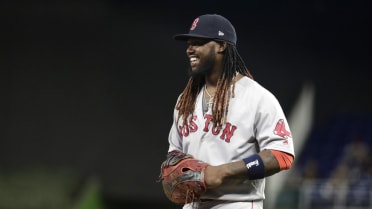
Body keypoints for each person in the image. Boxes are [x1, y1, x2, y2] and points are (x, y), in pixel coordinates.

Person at [165, 14, 295, 209]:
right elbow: (174, 153)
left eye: (198, 42)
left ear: (221, 45)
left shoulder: (257, 97)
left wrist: (223, 171)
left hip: (235, 203)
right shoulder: (185, 101)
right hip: (193, 204)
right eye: (189, 43)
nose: (190, 49)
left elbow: (281, 154)